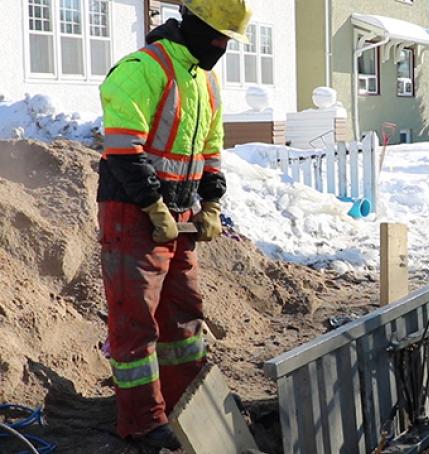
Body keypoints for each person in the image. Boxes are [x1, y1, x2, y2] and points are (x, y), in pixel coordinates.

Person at [96, 0, 251, 449]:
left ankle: (188, 406)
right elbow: (124, 148)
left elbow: (210, 150)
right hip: (132, 212)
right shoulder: (143, 68)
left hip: (178, 216)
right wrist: (153, 208)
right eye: (220, 36)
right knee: (135, 323)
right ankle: (142, 423)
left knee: (183, 319)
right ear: (196, 25)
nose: (223, 46)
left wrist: (211, 204)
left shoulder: (206, 82)